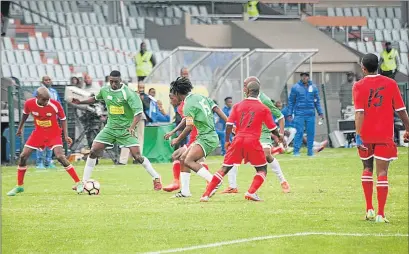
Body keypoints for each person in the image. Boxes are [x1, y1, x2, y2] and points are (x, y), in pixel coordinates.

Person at [72, 71, 162, 191]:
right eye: (111, 81)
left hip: (126, 129)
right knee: (93, 151)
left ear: (121, 80)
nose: (113, 84)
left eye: (116, 81)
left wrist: (131, 127)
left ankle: (156, 177)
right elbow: (95, 99)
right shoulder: (105, 90)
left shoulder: (128, 93)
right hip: (110, 128)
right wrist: (80, 101)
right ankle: (83, 183)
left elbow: (139, 114)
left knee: (137, 156)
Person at [200, 81, 282, 202]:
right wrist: (279, 136)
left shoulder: (237, 106)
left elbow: (228, 124)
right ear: (259, 93)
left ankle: (205, 195)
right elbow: (273, 128)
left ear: (247, 91)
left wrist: (227, 140)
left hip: (238, 140)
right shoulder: (263, 108)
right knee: (262, 169)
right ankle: (251, 192)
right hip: (253, 141)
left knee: (224, 168)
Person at [353, 53, 409, 223]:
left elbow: (359, 113)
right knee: (382, 172)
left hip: (366, 135)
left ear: (363, 68)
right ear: (378, 66)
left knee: (367, 169)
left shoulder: (358, 85)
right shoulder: (391, 83)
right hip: (384, 135)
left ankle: (369, 209)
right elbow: (401, 110)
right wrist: (408, 128)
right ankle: (380, 214)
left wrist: (358, 136)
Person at [7, 87, 83, 196]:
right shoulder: (29, 103)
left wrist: (66, 136)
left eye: (48, 99)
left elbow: (63, 119)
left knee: (60, 157)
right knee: (23, 156)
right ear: (37, 97)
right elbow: (25, 114)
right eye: (44, 100)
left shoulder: (55, 104)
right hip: (38, 133)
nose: (46, 102)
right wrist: (20, 128)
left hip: (54, 133)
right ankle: (19, 186)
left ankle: (78, 182)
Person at [222, 76, 290, 194]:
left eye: (245, 85)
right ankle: (232, 186)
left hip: (263, 133)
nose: (243, 88)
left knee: (267, 155)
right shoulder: (247, 97)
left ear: (252, 87)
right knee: (232, 155)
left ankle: (283, 181)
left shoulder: (264, 100)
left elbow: (280, 117)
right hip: (248, 133)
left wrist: (281, 134)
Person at [169, 77, 228, 198]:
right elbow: (216, 109)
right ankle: (185, 191)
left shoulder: (187, 105)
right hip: (206, 136)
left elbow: (189, 127)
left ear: (177, 92)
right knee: (183, 158)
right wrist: (229, 122)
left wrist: (177, 139)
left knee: (188, 160)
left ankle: (214, 181)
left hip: (207, 138)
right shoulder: (201, 97)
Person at [162, 87, 209, 192]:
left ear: (177, 95)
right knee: (194, 160)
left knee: (177, 156)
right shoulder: (184, 105)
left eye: (171, 98)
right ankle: (207, 183)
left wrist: (177, 138)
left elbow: (189, 125)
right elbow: (186, 120)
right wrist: (173, 131)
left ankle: (177, 183)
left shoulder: (184, 105)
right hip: (198, 136)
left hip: (197, 137)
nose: (170, 101)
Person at [286, 72, 324, 156]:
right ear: (301, 77)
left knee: (311, 132)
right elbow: (291, 101)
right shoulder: (295, 87)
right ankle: (296, 151)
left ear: (308, 77)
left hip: (310, 114)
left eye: (306, 76)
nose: (304, 78)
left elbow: (317, 101)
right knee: (299, 132)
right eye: (302, 76)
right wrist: (289, 113)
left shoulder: (313, 87)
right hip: (299, 113)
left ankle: (310, 152)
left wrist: (320, 112)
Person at [32, 76, 62, 169]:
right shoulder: (37, 92)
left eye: (49, 80)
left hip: (53, 120)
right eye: (46, 80)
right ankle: (39, 162)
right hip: (42, 119)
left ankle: (48, 162)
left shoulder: (54, 92)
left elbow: (58, 105)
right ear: (42, 81)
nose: (48, 81)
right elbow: (34, 103)